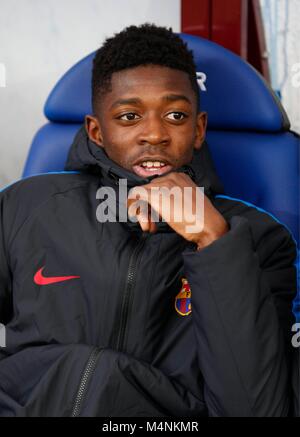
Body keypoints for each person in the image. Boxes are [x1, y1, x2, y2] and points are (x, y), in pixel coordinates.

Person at [0, 23, 297, 417]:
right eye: (129, 116)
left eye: (175, 114)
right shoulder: (26, 206)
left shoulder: (260, 237)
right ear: (96, 131)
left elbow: (254, 409)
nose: (154, 134)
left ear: (198, 129)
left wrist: (214, 242)